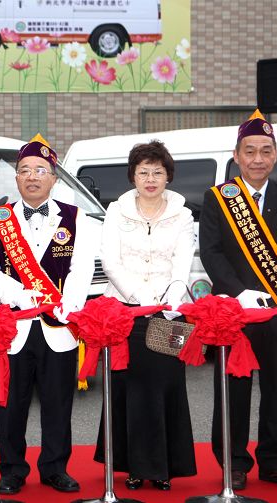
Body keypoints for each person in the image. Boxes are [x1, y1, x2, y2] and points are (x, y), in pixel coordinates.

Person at [0, 134, 94, 495]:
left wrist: (68, 304)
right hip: (13, 328)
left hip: (59, 326)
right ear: (16, 178)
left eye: (40, 170)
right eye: (24, 170)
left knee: (58, 403)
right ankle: (12, 470)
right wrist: (22, 296)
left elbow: (82, 269)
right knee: (11, 405)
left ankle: (55, 468)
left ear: (54, 178)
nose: (32, 177)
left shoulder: (75, 217)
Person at [93, 140, 196, 490]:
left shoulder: (182, 214)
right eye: (143, 172)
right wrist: (140, 298)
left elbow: (183, 262)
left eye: (157, 172)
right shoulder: (116, 210)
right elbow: (110, 262)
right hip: (126, 312)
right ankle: (134, 466)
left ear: (168, 176)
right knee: (130, 388)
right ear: (132, 176)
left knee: (168, 385)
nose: (150, 179)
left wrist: (170, 296)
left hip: (170, 313)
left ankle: (164, 467)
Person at [200, 109, 277, 490]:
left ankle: (273, 458)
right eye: (249, 151)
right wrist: (240, 292)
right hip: (233, 313)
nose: (257, 159)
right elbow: (211, 252)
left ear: (275, 155)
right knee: (233, 390)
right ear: (236, 156)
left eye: (265, 151)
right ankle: (233, 462)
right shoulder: (218, 198)